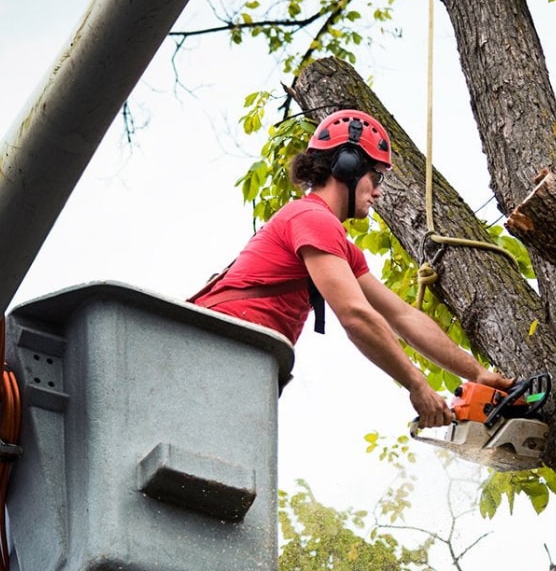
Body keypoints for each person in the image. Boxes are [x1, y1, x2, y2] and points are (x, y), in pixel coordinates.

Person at [193, 109, 513, 427]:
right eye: (374, 178)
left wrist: (477, 374)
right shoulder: (312, 218)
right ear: (347, 166)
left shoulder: (338, 246)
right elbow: (355, 315)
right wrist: (417, 386)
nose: (377, 192)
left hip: (238, 357)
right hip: (212, 348)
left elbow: (402, 316)